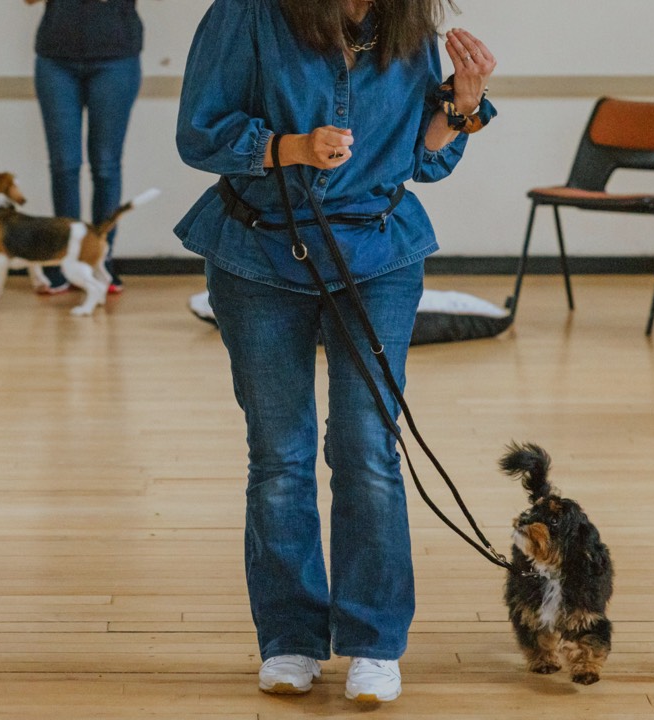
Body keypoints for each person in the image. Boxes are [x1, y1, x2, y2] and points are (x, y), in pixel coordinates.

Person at [174, 0, 496, 704]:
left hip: (376, 257)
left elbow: (420, 157)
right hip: (258, 254)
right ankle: (289, 637)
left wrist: (464, 106)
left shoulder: (408, 23)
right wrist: (290, 147)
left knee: (368, 448)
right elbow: (198, 132)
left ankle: (373, 645)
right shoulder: (247, 14)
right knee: (279, 455)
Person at [24, 0, 144, 295]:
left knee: (106, 167)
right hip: (56, 57)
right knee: (65, 165)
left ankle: (99, 259)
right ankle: (61, 257)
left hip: (116, 56)